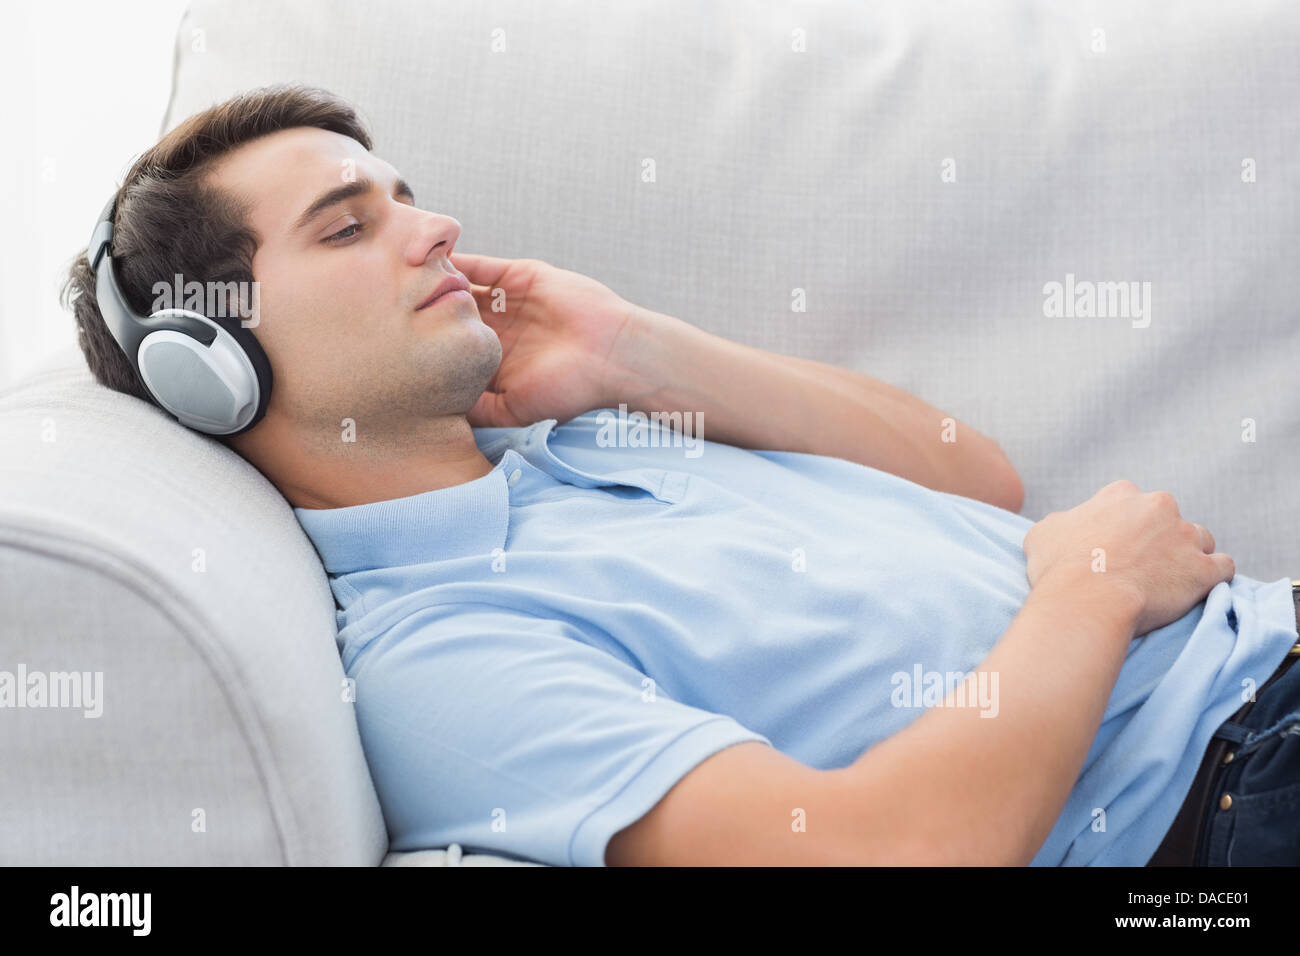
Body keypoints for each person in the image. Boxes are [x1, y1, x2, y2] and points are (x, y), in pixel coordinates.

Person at [63, 83, 1300, 866]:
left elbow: (972, 473)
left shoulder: (567, 437)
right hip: (1230, 797)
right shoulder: (440, 659)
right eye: (347, 227)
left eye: (406, 200)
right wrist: (1087, 592)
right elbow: (898, 851)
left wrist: (631, 352)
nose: (431, 229)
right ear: (205, 362)